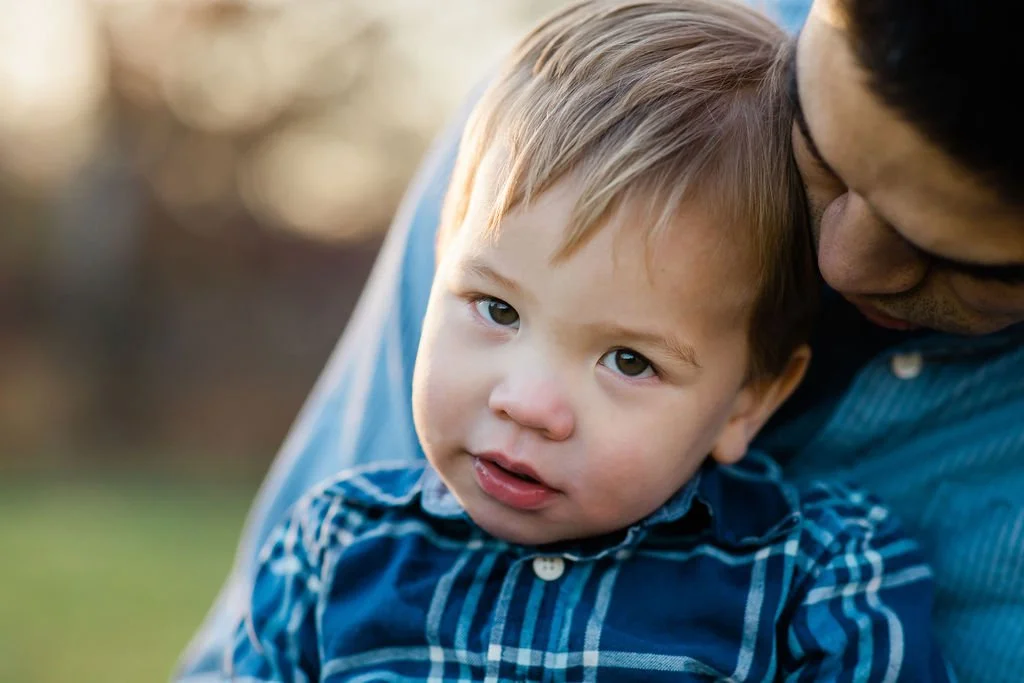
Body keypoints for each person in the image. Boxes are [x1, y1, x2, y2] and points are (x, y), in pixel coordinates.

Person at [177, 0, 1024, 680]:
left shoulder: (819, 586)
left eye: (629, 359)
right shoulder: (338, 551)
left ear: (750, 399)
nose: (527, 401)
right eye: (826, 159)